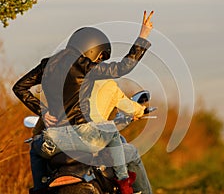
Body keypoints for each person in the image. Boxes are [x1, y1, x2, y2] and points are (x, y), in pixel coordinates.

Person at [13, 10, 153, 194]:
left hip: (54, 139)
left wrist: (43, 112)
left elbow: (19, 87)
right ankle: (124, 183)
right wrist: (142, 37)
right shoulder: (82, 66)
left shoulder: (47, 64)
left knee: (35, 147)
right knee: (111, 131)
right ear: (90, 49)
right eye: (99, 57)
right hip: (82, 135)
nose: (97, 61)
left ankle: (39, 189)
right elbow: (122, 67)